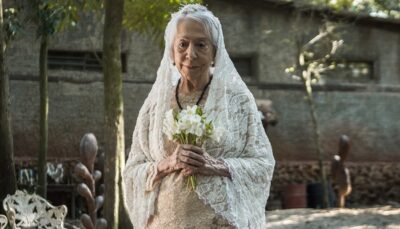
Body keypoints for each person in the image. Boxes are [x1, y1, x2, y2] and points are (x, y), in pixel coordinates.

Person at [122, 4, 275, 228]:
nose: (190, 54)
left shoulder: (237, 102)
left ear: (214, 52)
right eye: (182, 44)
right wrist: (169, 163)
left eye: (201, 44)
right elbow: (132, 171)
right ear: (172, 53)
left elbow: (263, 164)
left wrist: (215, 165)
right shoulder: (155, 106)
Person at [331, 135, 352, 208]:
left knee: (341, 195)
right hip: (342, 183)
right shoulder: (337, 160)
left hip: (344, 184)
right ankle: (340, 206)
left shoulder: (341, 160)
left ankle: (340, 206)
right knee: (341, 195)